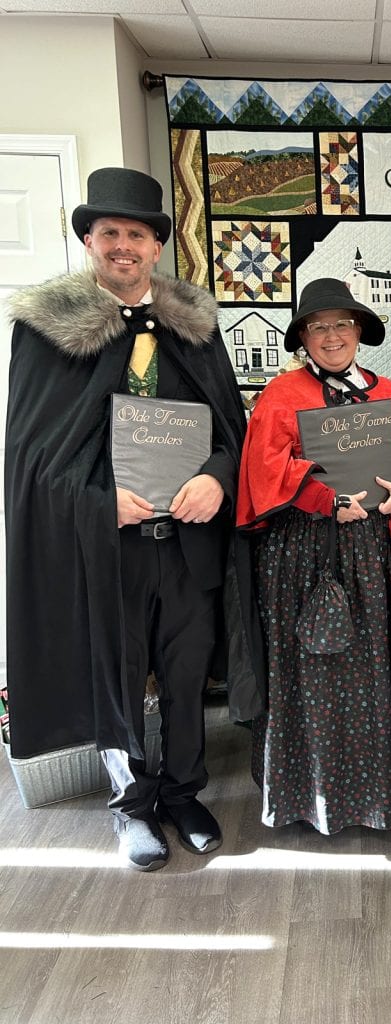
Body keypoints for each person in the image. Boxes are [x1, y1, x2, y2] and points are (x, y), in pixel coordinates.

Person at [5, 168, 263, 871]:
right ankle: (131, 806)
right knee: (117, 677)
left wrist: (216, 477)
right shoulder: (46, 332)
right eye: (110, 233)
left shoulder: (194, 331)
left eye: (138, 234)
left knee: (183, 678)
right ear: (89, 240)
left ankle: (182, 792)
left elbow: (229, 432)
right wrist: (96, 497)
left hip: (185, 546)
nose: (124, 246)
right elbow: (30, 458)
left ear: (157, 246)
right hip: (106, 547)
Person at [236, 278, 391, 835]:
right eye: (319, 326)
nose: (332, 335)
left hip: (377, 555)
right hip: (307, 555)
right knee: (314, 668)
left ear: (359, 332)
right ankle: (315, 794)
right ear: (303, 336)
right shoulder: (281, 395)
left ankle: (382, 794)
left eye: (342, 324)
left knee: (381, 660)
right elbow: (263, 468)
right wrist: (325, 500)